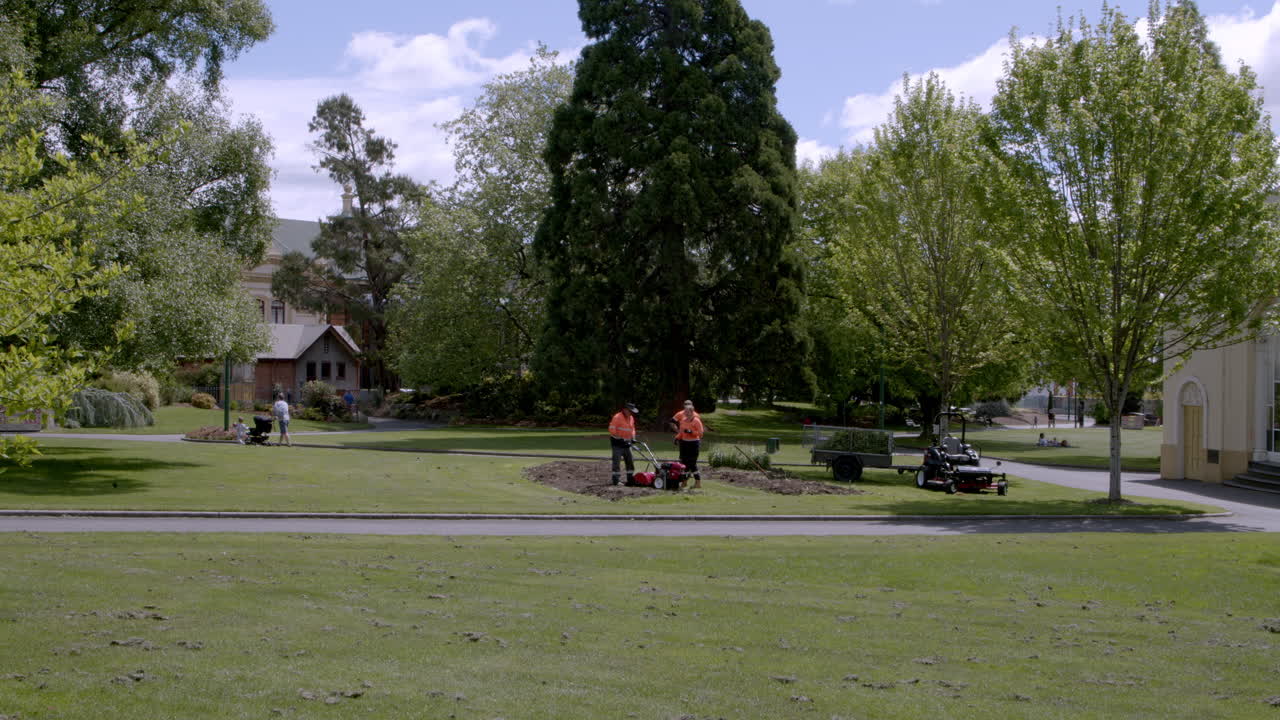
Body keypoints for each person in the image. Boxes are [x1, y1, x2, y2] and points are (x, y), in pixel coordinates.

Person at [670, 400, 705, 489]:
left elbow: (701, 433)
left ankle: (698, 482)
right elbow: (681, 432)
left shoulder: (696, 420)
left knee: (692, 463)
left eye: (688, 412)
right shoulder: (683, 421)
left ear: (692, 412)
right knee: (683, 463)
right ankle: (684, 481)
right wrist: (677, 437)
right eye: (685, 412)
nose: (685, 413)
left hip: (694, 443)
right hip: (685, 443)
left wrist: (691, 432)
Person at [608, 402, 638, 485]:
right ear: (625, 410)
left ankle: (630, 478)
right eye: (630, 411)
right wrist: (620, 438)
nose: (631, 413)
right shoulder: (617, 417)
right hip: (617, 443)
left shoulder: (631, 418)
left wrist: (633, 438)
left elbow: (632, 429)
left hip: (627, 443)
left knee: (630, 460)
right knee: (616, 461)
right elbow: (612, 430)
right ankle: (616, 480)